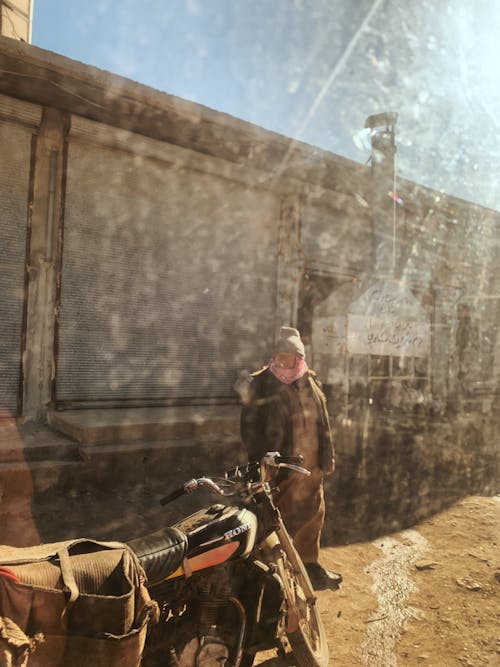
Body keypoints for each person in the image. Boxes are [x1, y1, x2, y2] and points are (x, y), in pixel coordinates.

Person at [239, 326, 342, 591]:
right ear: (272, 357)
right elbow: (249, 429)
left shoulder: (311, 382)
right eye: (279, 357)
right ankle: (275, 580)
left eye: (290, 359)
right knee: (278, 524)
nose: (283, 363)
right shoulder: (260, 384)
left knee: (313, 517)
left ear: (300, 360)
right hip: (279, 469)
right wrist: (261, 464)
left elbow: (324, 423)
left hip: (311, 468)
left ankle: (310, 568)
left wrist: (326, 459)